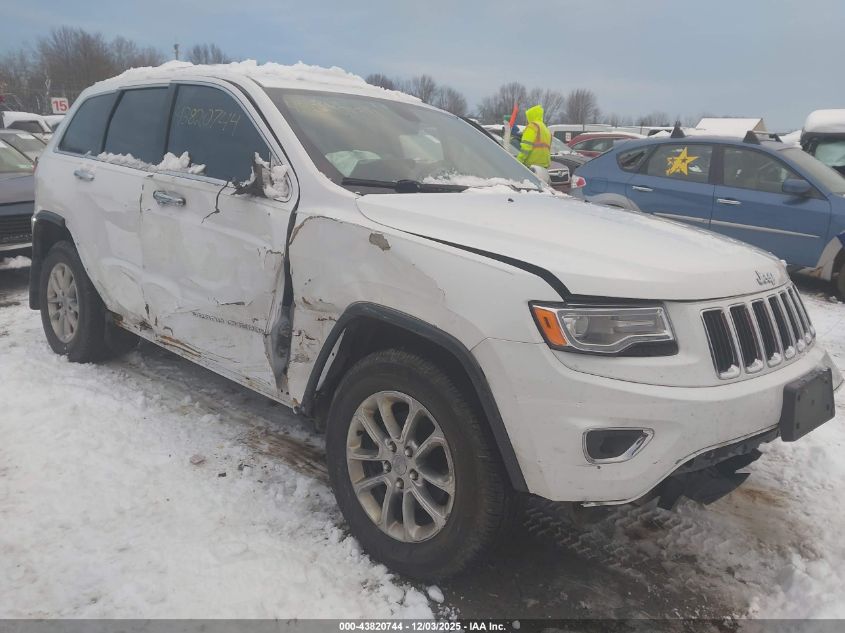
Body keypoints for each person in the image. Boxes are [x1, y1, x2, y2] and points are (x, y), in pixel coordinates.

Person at [517, 105, 551, 170]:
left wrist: (518, 161)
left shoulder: (532, 126)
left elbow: (526, 147)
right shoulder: (545, 128)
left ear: (531, 116)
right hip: (544, 165)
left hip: (531, 165)